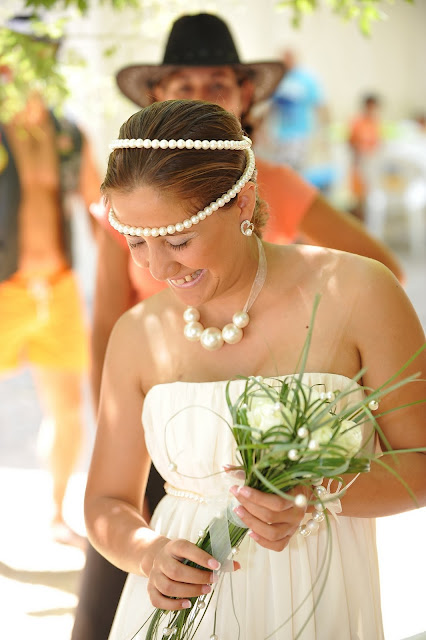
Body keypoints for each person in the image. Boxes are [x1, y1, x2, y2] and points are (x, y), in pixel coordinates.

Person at [72, 13, 406, 639]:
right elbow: (107, 501)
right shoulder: (139, 332)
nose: (152, 265)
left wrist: (325, 483)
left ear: (245, 203)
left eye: (178, 240)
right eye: (133, 242)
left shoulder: (353, 290)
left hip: (313, 598)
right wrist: (145, 551)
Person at [0, 16, 101, 547]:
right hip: (3, 288)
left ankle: (57, 515)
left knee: (66, 410)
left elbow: (99, 205)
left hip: (58, 286)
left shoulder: (67, 134)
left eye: (42, 55)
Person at [256, 48, 329, 173]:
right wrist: (261, 130)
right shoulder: (278, 80)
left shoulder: (306, 79)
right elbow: (270, 108)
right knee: (282, 169)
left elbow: (320, 105)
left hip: (300, 134)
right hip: (280, 135)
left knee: (296, 170)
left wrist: (324, 132)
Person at [348, 93, 383, 220]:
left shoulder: (376, 122)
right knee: (359, 194)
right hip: (360, 161)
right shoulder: (357, 122)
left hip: (373, 162)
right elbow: (351, 142)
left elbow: (379, 143)